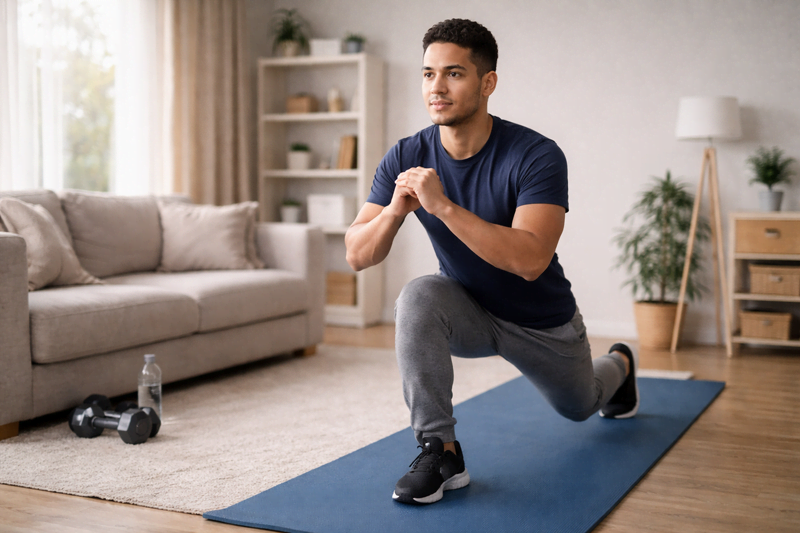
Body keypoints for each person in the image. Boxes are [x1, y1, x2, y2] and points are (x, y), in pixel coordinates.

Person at [344, 18, 639, 506]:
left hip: (541, 322)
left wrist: (441, 206)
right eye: (428, 74)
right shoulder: (406, 155)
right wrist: (396, 209)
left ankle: (621, 365)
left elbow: (529, 258)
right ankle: (441, 451)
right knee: (418, 296)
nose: (436, 87)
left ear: (487, 83)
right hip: (467, 309)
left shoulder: (536, 155)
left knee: (582, 405)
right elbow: (358, 254)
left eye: (454, 74)